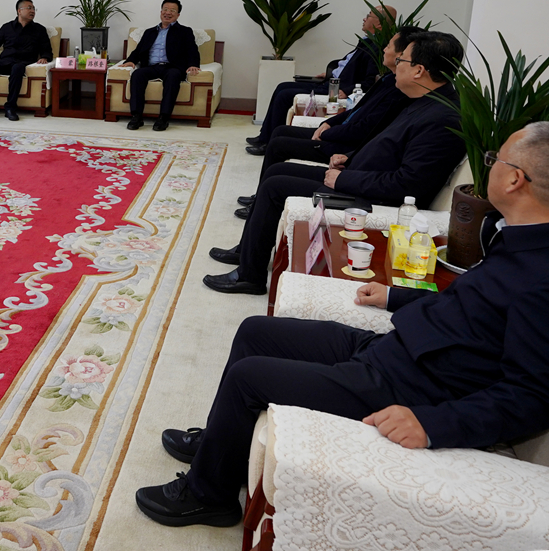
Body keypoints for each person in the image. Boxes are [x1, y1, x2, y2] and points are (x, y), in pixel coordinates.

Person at [137, 122, 549, 528]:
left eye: (494, 160)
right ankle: (221, 442)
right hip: (396, 348)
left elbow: (532, 394)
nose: (488, 166)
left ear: (514, 179)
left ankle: (208, 496)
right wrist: (394, 297)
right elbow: (470, 305)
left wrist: (433, 424)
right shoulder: (517, 236)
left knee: (249, 377)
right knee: (255, 331)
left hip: (413, 385)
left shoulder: (540, 277)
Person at [207, 31, 465, 295]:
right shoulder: (424, 103)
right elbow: (385, 144)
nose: (396, 64)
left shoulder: (441, 119)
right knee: (277, 171)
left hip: (371, 198)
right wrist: (349, 158)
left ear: (419, 70)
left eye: (402, 61)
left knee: (276, 187)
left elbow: (408, 185)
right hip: (358, 176)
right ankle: (247, 254)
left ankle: (250, 276)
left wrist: (343, 179)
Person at [233, 26, 422, 218]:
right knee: (280, 132)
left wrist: (328, 133)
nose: (384, 49)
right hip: (344, 139)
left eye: (389, 45)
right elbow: (356, 111)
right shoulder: (389, 80)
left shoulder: (400, 94)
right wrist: (329, 123)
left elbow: (365, 130)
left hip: (345, 146)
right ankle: (259, 199)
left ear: (403, 56)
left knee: (279, 146)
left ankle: (260, 203)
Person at [246, 7, 391, 154]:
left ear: (380, 23)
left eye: (368, 16)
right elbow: (350, 66)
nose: (364, 19)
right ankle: (264, 136)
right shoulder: (367, 42)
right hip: (331, 81)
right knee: (282, 87)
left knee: (284, 95)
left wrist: (346, 91)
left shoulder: (377, 49)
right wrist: (330, 73)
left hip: (336, 89)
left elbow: (370, 82)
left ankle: (267, 143)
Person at [116, 0, 200, 131]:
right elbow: (138, 50)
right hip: (152, 67)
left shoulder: (185, 31)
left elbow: (192, 49)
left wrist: (193, 64)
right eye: (165, 9)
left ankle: (163, 118)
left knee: (173, 76)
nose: (168, 13)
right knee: (137, 75)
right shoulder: (150, 32)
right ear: (161, 12)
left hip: (172, 67)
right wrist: (130, 61)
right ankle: (136, 116)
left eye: (172, 10)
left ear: (178, 15)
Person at [0, 0, 52, 121]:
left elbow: (47, 49)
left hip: (23, 64)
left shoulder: (39, 29)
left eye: (34, 8)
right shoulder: (7, 27)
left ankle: (10, 108)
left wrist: (45, 57)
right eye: (29, 8)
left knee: (17, 68)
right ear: (19, 11)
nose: (33, 11)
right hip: (5, 62)